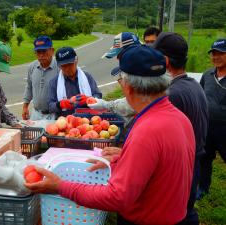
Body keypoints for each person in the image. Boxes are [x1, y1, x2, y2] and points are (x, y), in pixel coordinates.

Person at [26, 45, 195, 225]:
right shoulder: (180, 118)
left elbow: (117, 197)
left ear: (128, 87)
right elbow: (163, 164)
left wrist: (60, 187)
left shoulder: (147, 131)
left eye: (120, 80)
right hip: (175, 216)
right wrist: (126, 157)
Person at [153, 32, 208, 225]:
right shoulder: (194, 85)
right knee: (186, 209)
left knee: (176, 215)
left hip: (180, 168)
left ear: (165, 61)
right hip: (194, 163)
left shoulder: (172, 94)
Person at [89, 32, 140, 124]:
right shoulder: (138, 66)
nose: (117, 58)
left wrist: (107, 105)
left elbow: (136, 102)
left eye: (119, 55)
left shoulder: (141, 73)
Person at [198, 39, 226, 199]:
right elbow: (201, 97)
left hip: (224, 127)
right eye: (214, 53)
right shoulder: (207, 75)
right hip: (207, 126)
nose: (216, 57)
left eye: (221, 53)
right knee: (205, 158)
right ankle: (203, 187)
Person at [48, 47, 102, 117]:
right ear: (59, 66)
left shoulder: (87, 76)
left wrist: (89, 99)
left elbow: (98, 95)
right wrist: (61, 104)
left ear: (76, 61)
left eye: (70, 64)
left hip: (88, 118)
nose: (67, 69)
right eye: (64, 66)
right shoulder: (54, 82)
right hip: (65, 121)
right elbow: (50, 107)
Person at [22, 36, 59, 120]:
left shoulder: (59, 68)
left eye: (44, 51)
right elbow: (29, 87)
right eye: (38, 52)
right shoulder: (32, 67)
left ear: (52, 51)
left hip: (54, 115)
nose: (41, 55)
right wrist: (25, 107)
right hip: (36, 114)